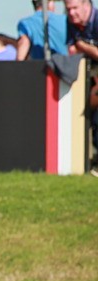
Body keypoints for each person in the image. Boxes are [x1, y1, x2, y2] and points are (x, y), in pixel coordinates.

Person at [64, 0, 98, 166]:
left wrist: (82, 46)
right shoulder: (71, 23)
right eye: (68, 9)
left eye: (75, 8)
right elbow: (71, 52)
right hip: (89, 81)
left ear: (87, 5)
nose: (71, 13)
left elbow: (77, 47)